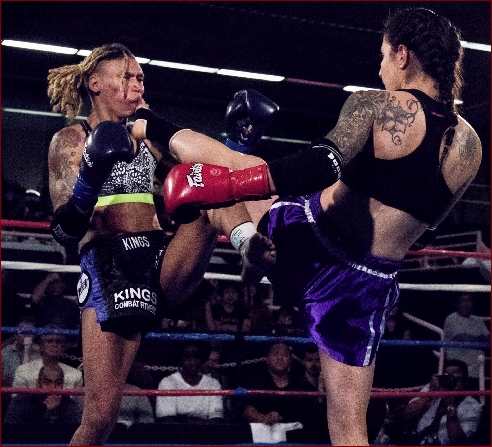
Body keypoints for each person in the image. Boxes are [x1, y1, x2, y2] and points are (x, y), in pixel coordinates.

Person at [135, 8, 482, 444]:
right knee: (349, 428)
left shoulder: (377, 104)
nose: (379, 68)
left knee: (234, 167)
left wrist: (229, 186)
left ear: (402, 54)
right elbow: (430, 224)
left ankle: (147, 125)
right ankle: (247, 243)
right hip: (367, 284)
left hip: (308, 241)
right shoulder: (470, 145)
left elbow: (319, 164)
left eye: (382, 56)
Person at [46, 43, 276, 445]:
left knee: (207, 187)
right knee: (99, 418)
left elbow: (202, 170)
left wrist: (235, 149)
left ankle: (248, 247)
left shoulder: (145, 133)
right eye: (127, 77)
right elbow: (65, 231)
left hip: (157, 259)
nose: (137, 85)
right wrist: (90, 177)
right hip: (108, 266)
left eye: (141, 78)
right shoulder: (70, 140)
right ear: (95, 83)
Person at [400, 359, 482, 445]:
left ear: (465, 381)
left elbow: (458, 442)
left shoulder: (472, 405)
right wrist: (429, 395)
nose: (451, 379)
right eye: (447, 375)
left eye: (455, 375)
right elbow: (407, 415)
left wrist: (450, 405)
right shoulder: (434, 388)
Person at [155, 340, 224, 421]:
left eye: (196, 357)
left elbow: (216, 419)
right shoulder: (167, 383)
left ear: (202, 359)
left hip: (206, 429)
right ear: (180, 359)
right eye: (187, 358)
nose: (192, 362)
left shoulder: (213, 384)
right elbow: (167, 420)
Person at [5, 364, 83, 424]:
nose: (52, 388)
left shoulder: (70, 405)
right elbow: (11, 432)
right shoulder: (21, 401)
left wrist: (53, 413)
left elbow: (68, 435)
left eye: (58, 383)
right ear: (38, 384)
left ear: (62, 385)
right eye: (47, 383)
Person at [12, 325, 83, 389]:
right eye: (49, 341)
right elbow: (18, 399)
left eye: (58, 342)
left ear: (63, 347)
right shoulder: (23, 371)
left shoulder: (75, 375)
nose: (54, 345)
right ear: (41, 346)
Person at [443, 293, 490, 382]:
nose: (467, 304)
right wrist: (480, 338)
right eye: (463, 301)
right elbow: (464, 338)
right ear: (457, 303)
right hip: (457, 372)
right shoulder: (451, 319)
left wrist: (473, 338)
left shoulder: (478, 320)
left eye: (469, 300)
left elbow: (489, 339)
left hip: (478, 371)